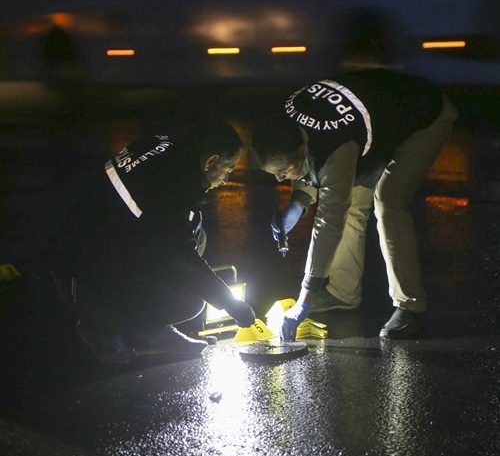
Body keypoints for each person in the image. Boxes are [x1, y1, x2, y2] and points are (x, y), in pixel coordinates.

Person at [251, 68, 459, 341]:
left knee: (388, 201)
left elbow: (328, 221)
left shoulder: (335, 145)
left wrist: (306, 298)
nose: (279, 179)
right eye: (273, 173)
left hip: (423, 115)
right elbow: (308, 168)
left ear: (303, 150)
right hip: (374, 120)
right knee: (352, 199)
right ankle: (342, 293)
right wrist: (298, 201)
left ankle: (410, 306)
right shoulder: (289, 127)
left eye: (282, 171)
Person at [47, 120, 256, 363]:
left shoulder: (165, 144)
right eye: (228, 169)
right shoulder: (171, 185)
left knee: (194, 232)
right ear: (210, 161)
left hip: (85, 245)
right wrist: (231, 304)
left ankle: (149, 332)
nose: (226, 180)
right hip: (81, 274)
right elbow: (179, 257)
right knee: (187, 301)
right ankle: (101, 326)